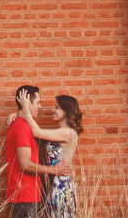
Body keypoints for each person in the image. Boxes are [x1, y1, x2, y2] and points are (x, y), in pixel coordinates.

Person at [15, 89, 83, 218]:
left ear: (66, 111)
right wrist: (18, 114)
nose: (53, 110)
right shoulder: (58, 132)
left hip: (61, 185)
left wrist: (25, 109)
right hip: (52, 183)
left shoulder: (68, 133)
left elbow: (37, 132)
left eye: (57, 108)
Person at [6, 85, 67, 218]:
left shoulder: (18, 124)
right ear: (27, 103)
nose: (40, 107)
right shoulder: (23, 127)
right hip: (25, 196)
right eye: (38, 102)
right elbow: (25, 164)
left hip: (21, 196)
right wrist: (53, 170)